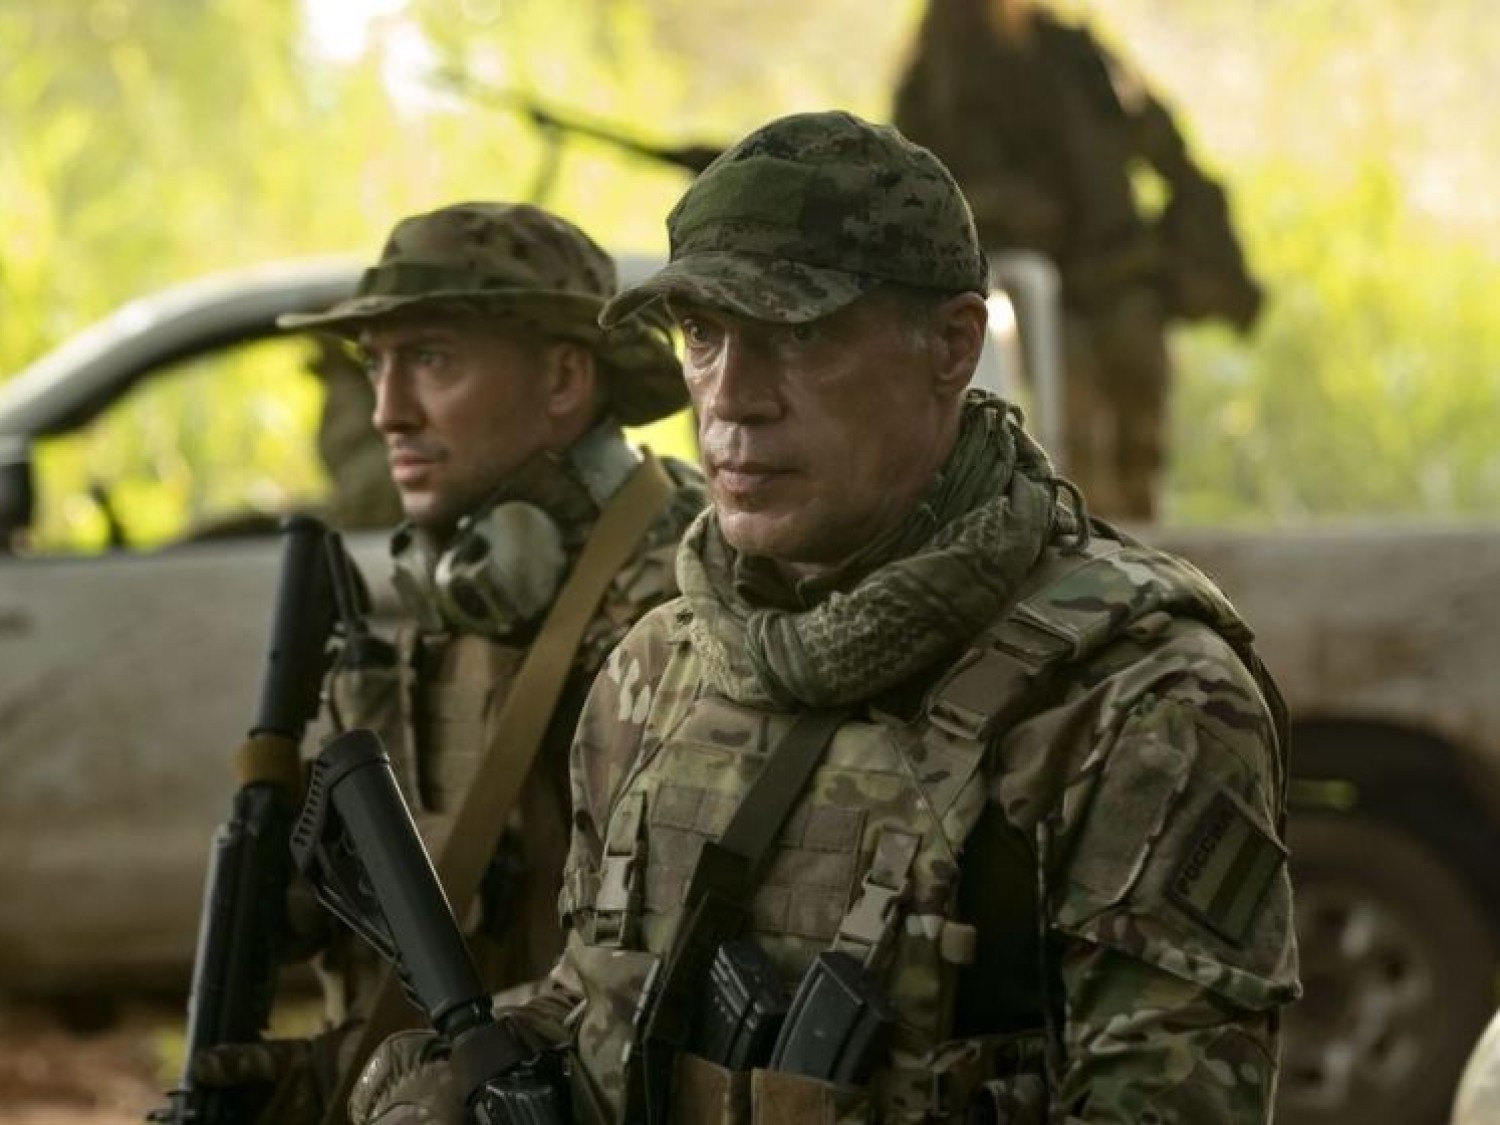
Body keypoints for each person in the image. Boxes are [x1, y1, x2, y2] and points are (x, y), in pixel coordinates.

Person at [349, 112, 1298, 1124]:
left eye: (796, 333)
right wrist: (470, 1076)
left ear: (953, 344)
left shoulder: (1135, 701)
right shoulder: (656, 667)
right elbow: (600, 1007)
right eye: (702, 336)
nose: (731, 400)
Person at [188, 200, 706, 1122]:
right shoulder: (467, 593)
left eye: (431, 360)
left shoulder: (683, 608)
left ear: (564, 379)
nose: (388, 411)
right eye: (375, 365)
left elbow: (671, 986)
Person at [893, 0, 1263, 521]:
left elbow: (1153, 132)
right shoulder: (941, 73)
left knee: (1141, 418)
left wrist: (1190, 221)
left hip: (1117, 270)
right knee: (1075, 431)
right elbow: (923, 187)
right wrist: (1007, 206)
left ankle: (1137, 538)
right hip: (1035, 281)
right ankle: (1095, 543)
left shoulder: (1074, 52)